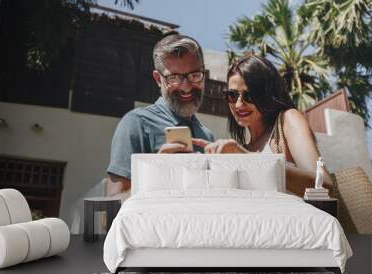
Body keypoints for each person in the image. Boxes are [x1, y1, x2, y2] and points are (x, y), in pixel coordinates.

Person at [193, 53, 333, 196]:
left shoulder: (288, 120)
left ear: (267, 94)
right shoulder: (245, 148)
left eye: (250, 96)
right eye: (232, 95)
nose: (239, 104)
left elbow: (325, 187)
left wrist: (249, 160)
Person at [106, 34, 214, 200]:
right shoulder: (136, 124)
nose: (186, 87)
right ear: (158, 79)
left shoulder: (207, 135)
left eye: (194, 75)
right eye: (174, 78)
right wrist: (158, 175)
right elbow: (111, 205)